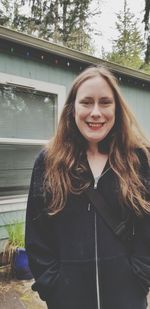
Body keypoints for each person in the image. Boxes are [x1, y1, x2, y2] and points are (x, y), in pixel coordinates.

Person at [25, 66, 150, 309]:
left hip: (128, 300)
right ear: (73, 109)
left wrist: (140, 278)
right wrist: (53, 287)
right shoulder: (48, 162)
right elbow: (37, 236)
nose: (96, 112)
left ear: (117, 109)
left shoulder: (139, 160)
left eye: (105, 102)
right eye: (86, 102)